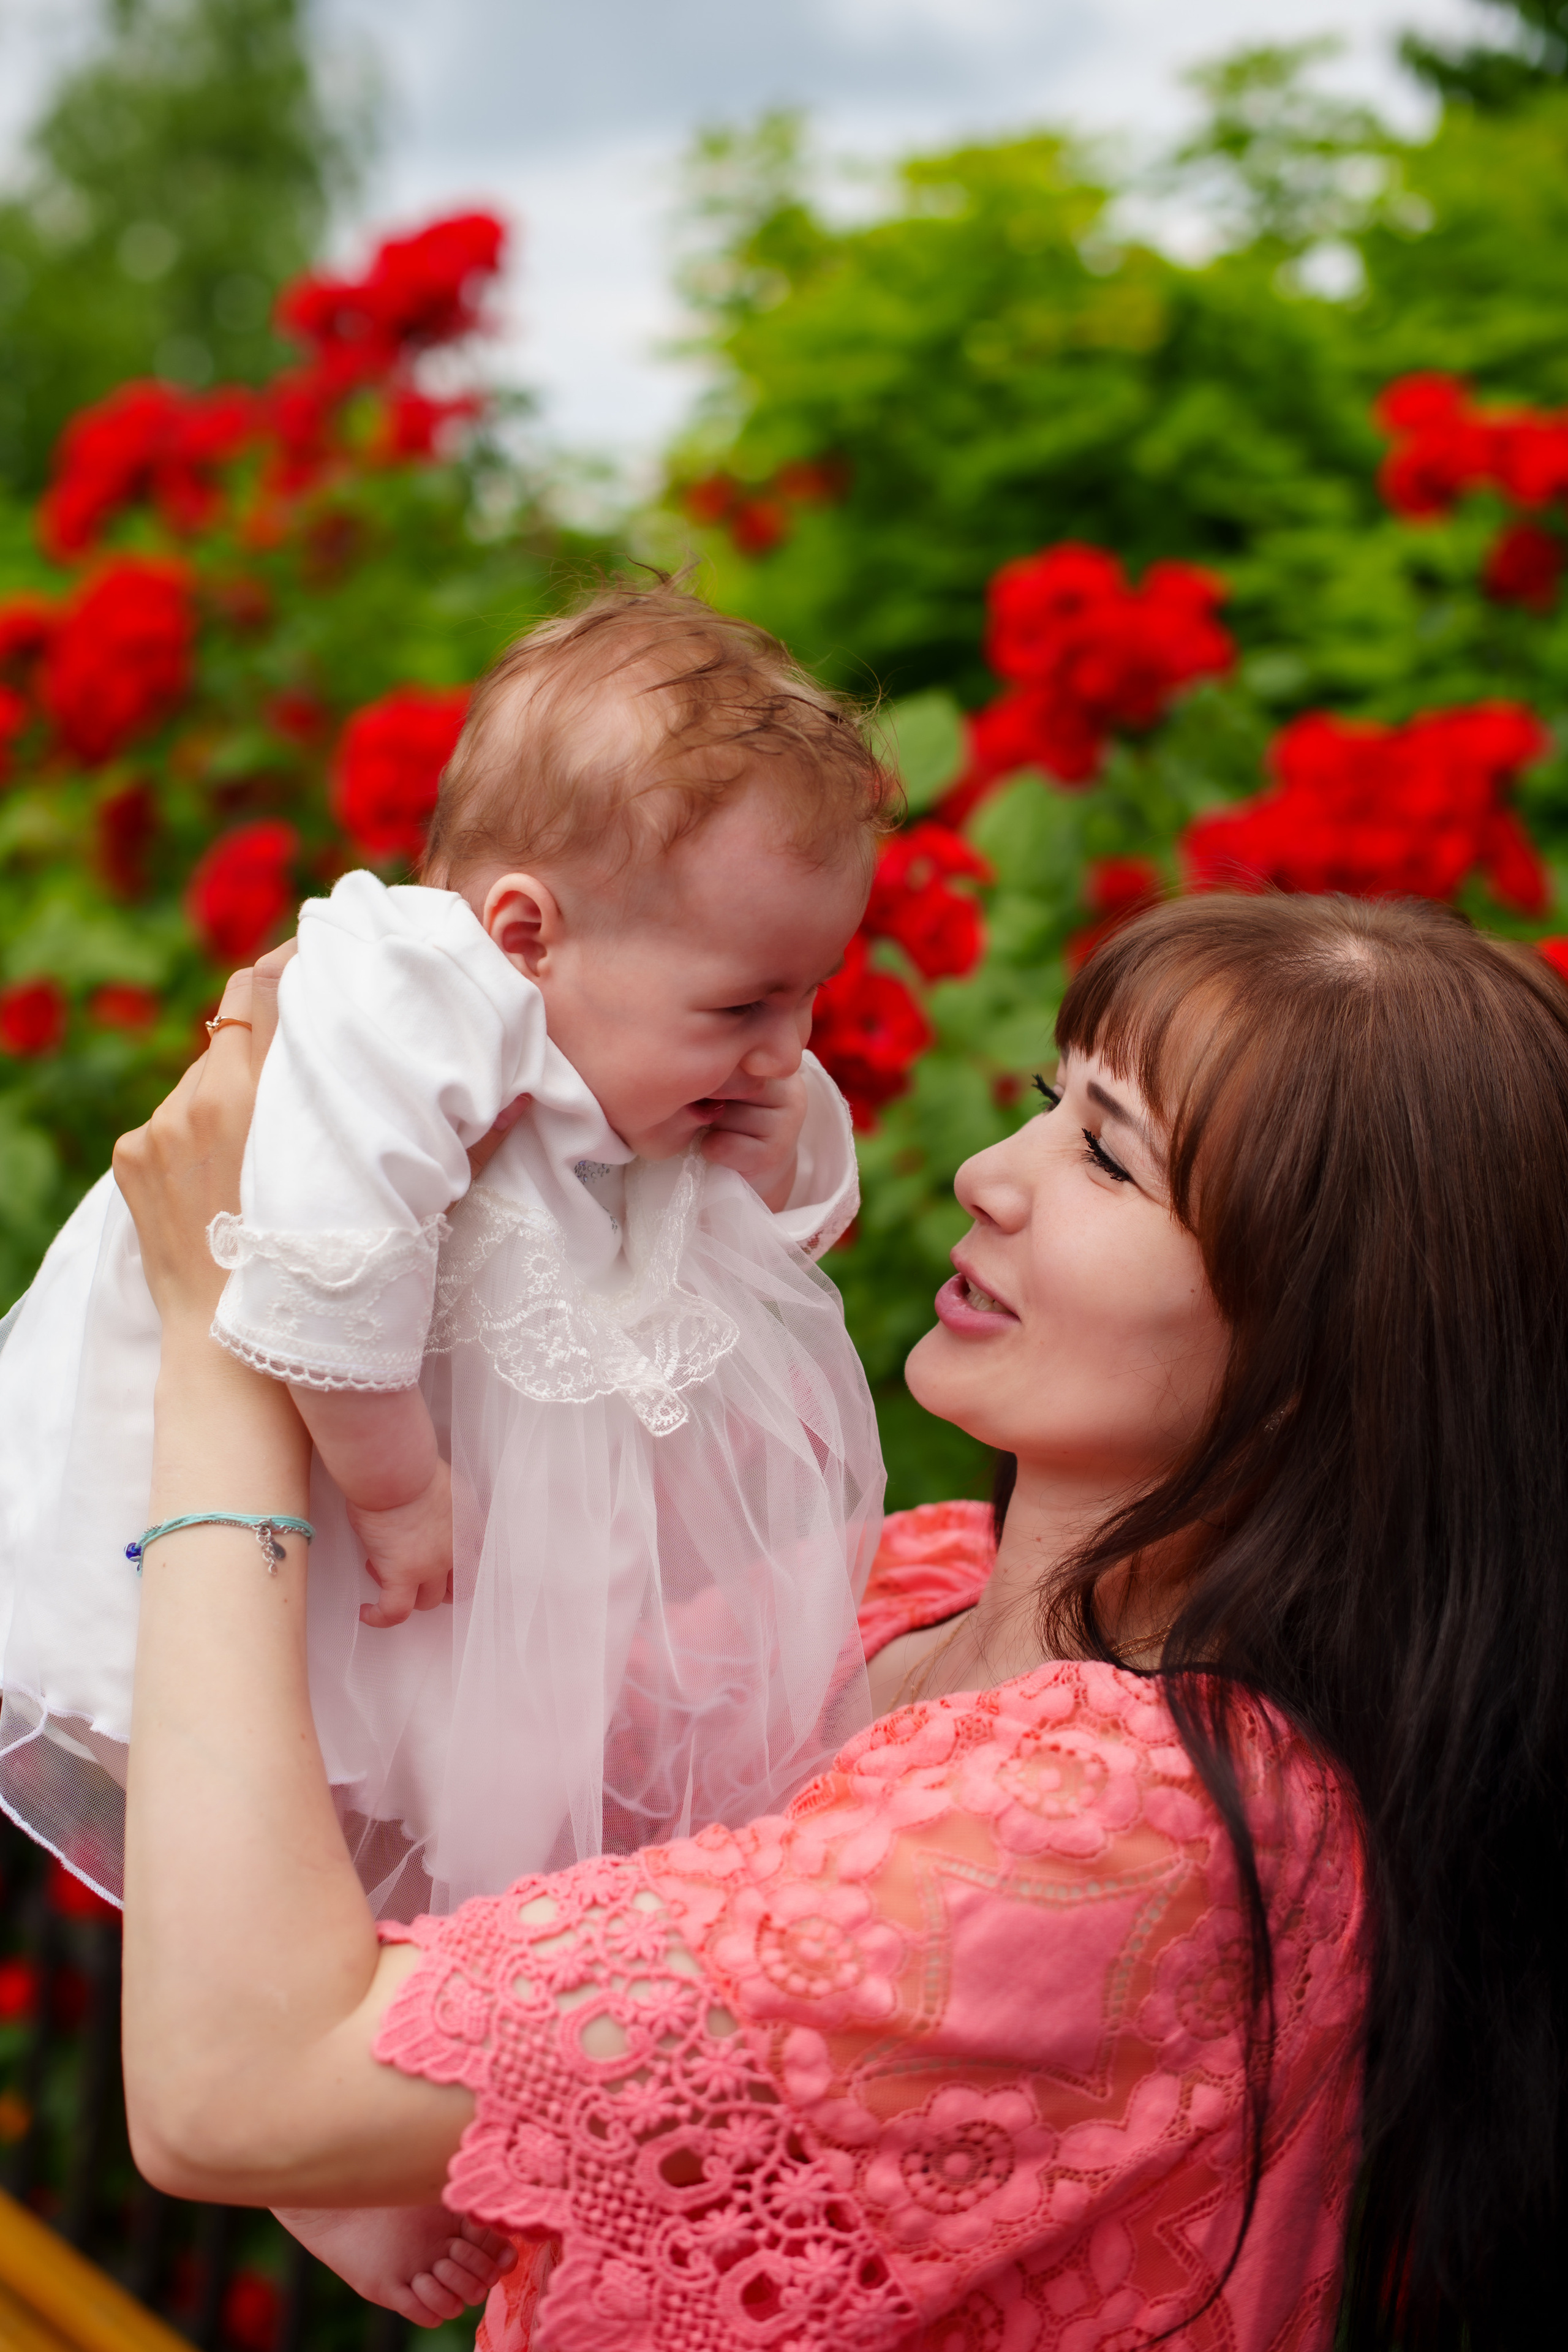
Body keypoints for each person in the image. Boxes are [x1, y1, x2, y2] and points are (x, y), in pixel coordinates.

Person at [113, 891, 1568, 2346]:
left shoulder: (1130, 1821)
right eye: (1050, 1106)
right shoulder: (923, 1579)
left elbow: (237, 2087)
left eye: (1107, 1160)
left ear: (1331, 1348)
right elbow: (404, 1810)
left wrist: (242, 1336)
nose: (992, 1174)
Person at [0, 582, 889, 1923]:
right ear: (525, 934)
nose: (785, 1043)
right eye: (744, 1004)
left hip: (431, 1531)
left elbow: (773, 1241)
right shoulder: (413, 983)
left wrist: (769, 1140)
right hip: (314, 1451)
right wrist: (401, 1490)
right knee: (261, 1748)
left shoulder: (625, 1051)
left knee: (424, 1813)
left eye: (808, 992)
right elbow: (323, 1249)